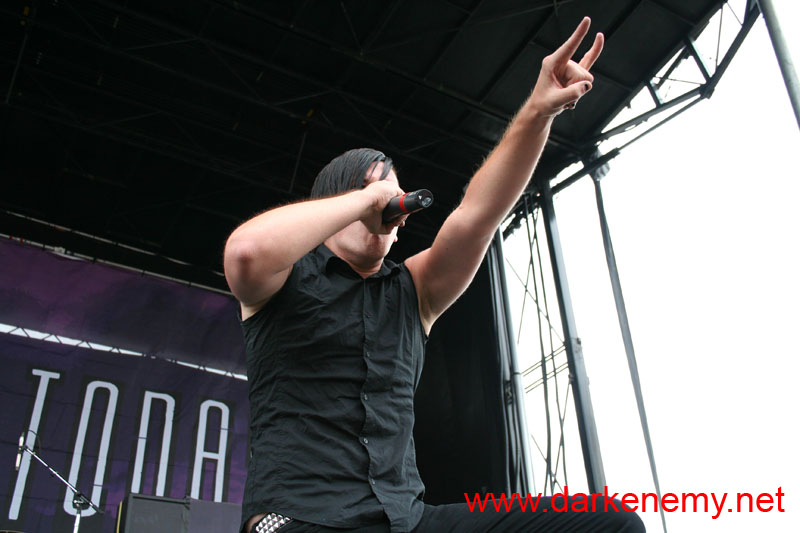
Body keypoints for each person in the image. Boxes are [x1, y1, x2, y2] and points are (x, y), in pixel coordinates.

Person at [224, 17, 645, 533]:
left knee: (609, 522)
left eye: (391, 197)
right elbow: (246, 251)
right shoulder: (283, 279)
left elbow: (478, 214)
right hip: (299, 518)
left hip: (406, 519)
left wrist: (538, 112)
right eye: (372, 192)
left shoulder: (413, 291)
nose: (387, 205)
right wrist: (365, 200)